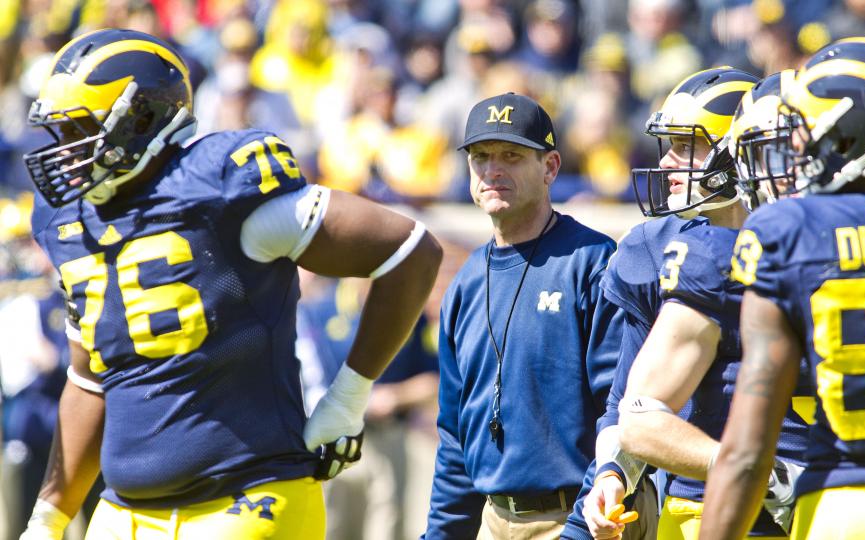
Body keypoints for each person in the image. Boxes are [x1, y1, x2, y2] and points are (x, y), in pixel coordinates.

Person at [18, 29, 442, 540]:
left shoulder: (219, 185)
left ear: (142, 119)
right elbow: (89, 379)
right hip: (123, 511)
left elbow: (409, 250)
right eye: (60, 133)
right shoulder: (72, 223)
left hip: (247, 501)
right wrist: (49, 516)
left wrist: (347, 397)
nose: (65, 152)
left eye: (81, 130)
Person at [700, 37, 865, 540]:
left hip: (849, 505)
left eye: (804, 129)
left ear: (848, 134)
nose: (794, 146)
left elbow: (747, 452)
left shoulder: (789, 232)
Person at [567, 68, 812, 540]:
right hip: (704, 496)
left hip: (824, 491)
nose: (667, 164)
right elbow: (629, 399)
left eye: (686, 146)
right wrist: (612, 476)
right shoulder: (653, 249)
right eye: (670, 146)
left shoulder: (809, 237)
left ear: (736, 149)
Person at [423, 92, 623, 539]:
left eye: (511, 156)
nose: (492, 170)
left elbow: (620, 410)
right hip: (493, 521)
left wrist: (578, 530)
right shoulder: (466, 282)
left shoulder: (592, 261)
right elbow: (456, 438)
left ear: (550, 167)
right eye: (480, 157)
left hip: (581, 516)